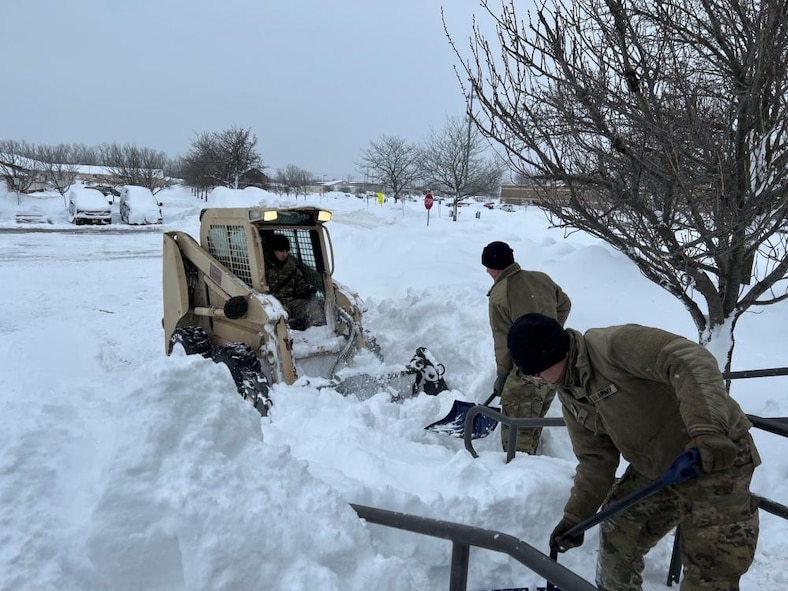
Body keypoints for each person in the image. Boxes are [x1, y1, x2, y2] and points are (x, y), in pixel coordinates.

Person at [506, 312, 760, 591]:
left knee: (711, 568)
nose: (538, 381)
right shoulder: (570, 392)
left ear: (552, 354)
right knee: (619, 528)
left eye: (537, 372)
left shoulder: (613, 346)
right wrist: (575, 516)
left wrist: (707, 429)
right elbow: (595, 461)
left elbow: (687, 359)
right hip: (659, 468)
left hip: (714, 456)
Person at [482, 240, 571, 454]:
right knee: (535, 414)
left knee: (517, 423)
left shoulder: (500, 294)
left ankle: (519, 469)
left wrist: (503, 374)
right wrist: (551, 333)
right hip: (557, 363)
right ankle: (532, 460)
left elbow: (502, 340)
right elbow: (565, 304)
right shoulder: (541, 279)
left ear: (493, 267)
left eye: (487, 267)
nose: (487, 271)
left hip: (528, 368)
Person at [265, 233, 325, 330]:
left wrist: (308, 289)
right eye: (280, 251)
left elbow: (299, 283)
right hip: (272, 305)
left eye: (286, 251)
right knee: (279, 319)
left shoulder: (291, 265)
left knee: (314, 308)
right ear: (273, 251)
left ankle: (316, 333)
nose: (284, 254)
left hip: (291, 301)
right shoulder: (263, 266)